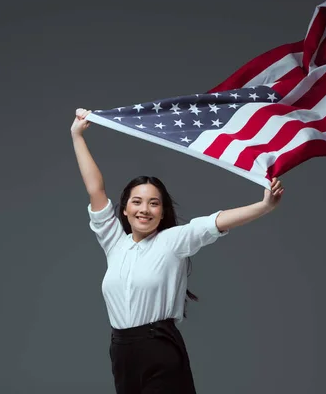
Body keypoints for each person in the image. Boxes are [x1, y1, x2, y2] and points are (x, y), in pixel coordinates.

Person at [71, 108, 285, 393]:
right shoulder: (113, 241)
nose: (144, 209)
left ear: (162, 212)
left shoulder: (173, 241)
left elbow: (216, 222)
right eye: (137, 202)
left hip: (159, 349)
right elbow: (95, 189)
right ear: (125, 209)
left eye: (153, 203)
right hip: (121, 352)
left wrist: (264, 206)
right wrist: (77, 136)